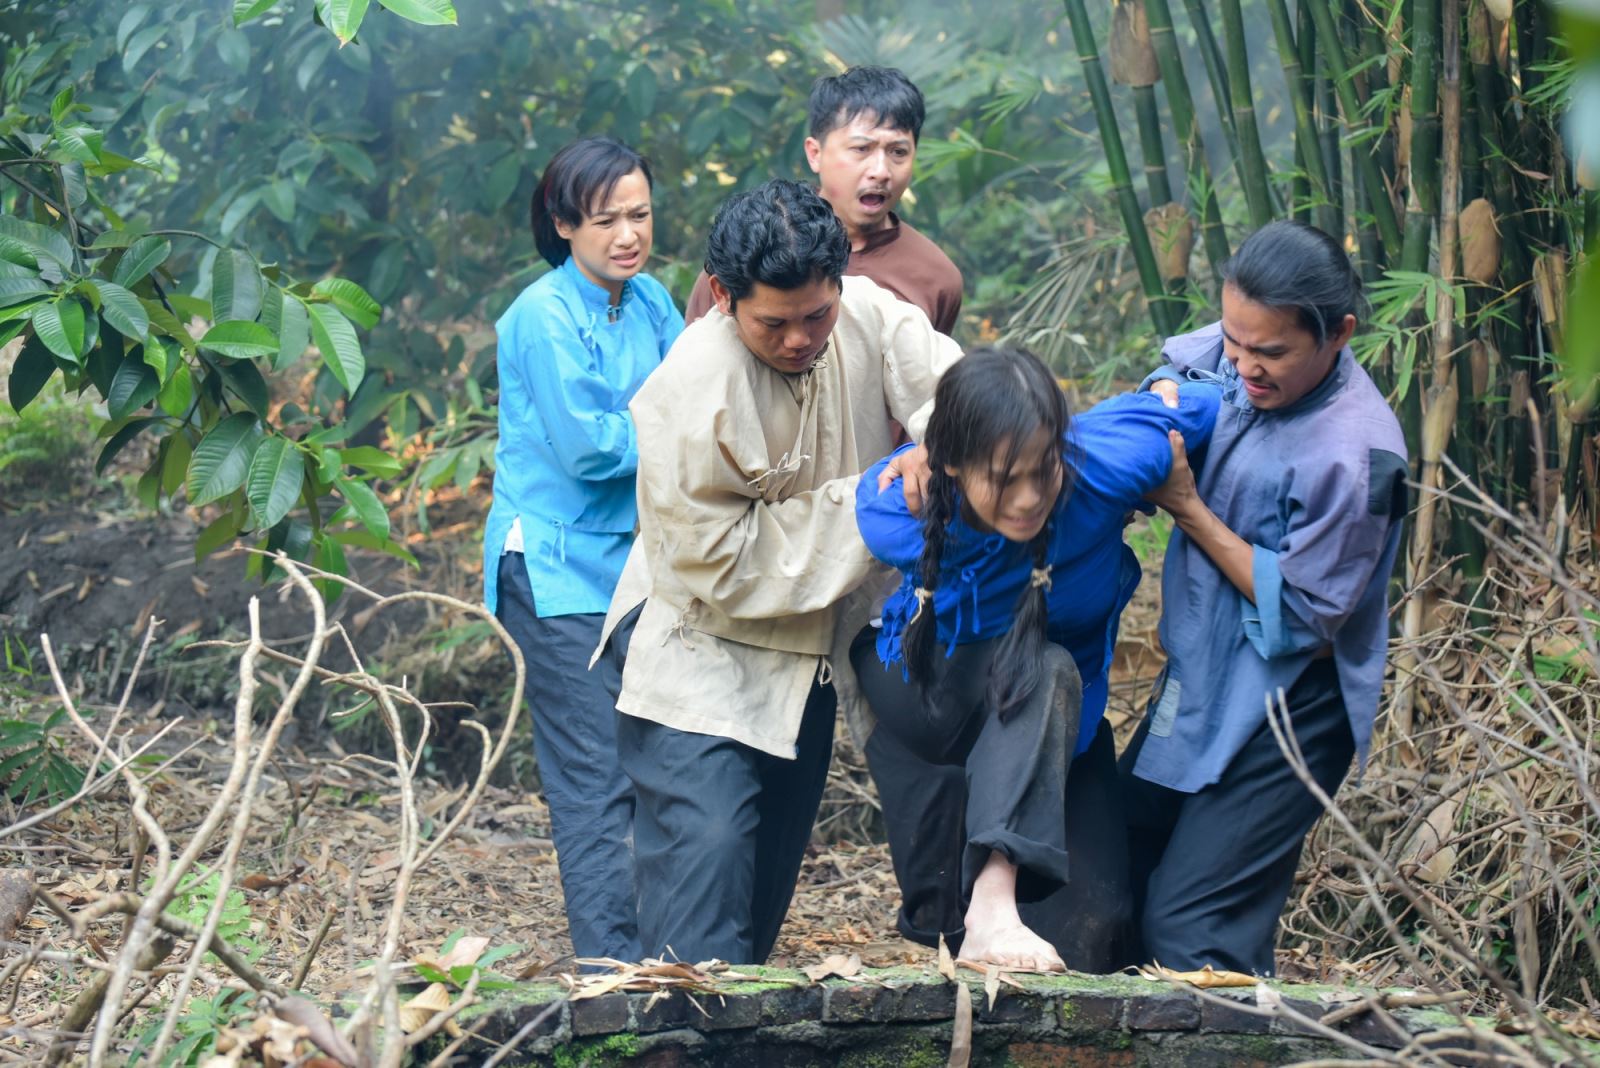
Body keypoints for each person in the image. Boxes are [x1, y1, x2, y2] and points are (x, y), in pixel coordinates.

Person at [594, 178, 963, 965]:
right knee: (708, 864)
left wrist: (940, 441)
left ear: (839, 285)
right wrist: (869, 505)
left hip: (808, 656)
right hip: (698, 651)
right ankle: (669, 1041)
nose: (801, 339)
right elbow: (716, 563)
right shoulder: (691, 387)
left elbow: (957, 393)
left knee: (758, 903)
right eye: (775, 323)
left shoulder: (864, 314)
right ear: (724, 297)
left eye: (816, 315)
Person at [853, 347, 1220, 972]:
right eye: (1001, 478)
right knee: (1045, 663)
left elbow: (1210, 397)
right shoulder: (901, 511)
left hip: (1053, 718)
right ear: (950, 466)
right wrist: (907, 455)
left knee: (1097, 921)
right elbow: (904, 474)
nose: (1027, 499)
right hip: (929, 692)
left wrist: (1162, 383)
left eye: (1041, 471)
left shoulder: (1106, 461)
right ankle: (988, 906)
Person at [1124, 220, 1408, 975]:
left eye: (1271, 353)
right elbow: (1182, 365)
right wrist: (1163, 398)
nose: (1245, 365)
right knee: (1108, 873)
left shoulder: (1357, 455)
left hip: (1296, 703)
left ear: (1338, 333)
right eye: (1235, 340)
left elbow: (1309, 615)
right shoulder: (1243, 349)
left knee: (1193, 929)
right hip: (1205, 672)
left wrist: (1187, 507)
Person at [481, 136, 683, 963]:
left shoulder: (653, 301)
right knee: (594, 780)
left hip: (636, 565)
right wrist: (679, 430)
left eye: (639, 215)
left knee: (658, 766)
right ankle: (612, 980)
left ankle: (666, 959)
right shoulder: (539, 314)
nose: (628, 234)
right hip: (554, 565)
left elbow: (693, 396)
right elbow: (589, 452)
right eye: (606, 220)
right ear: (564, 224)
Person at [684, 66, 963, 335]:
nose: (881, 171)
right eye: (861, 149)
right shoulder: (750, 250)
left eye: (898, 152)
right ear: (815, 153)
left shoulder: (936, 278)